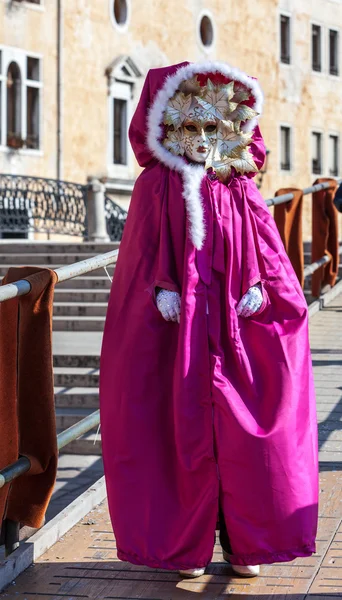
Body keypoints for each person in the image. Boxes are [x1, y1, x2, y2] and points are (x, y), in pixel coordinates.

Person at [100, 60, 319, 579]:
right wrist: (161, 286)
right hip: (175, 333)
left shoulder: (237, 184)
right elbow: (143, 251)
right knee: (182, 428)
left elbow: (266, 246)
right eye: (190, 128)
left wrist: (259, 285)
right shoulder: (155, 187)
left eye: (211, 128)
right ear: (170, 129)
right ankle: (185, 544)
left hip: (237, 325)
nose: (202, 139)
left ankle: (247, 542)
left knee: (243, 431)